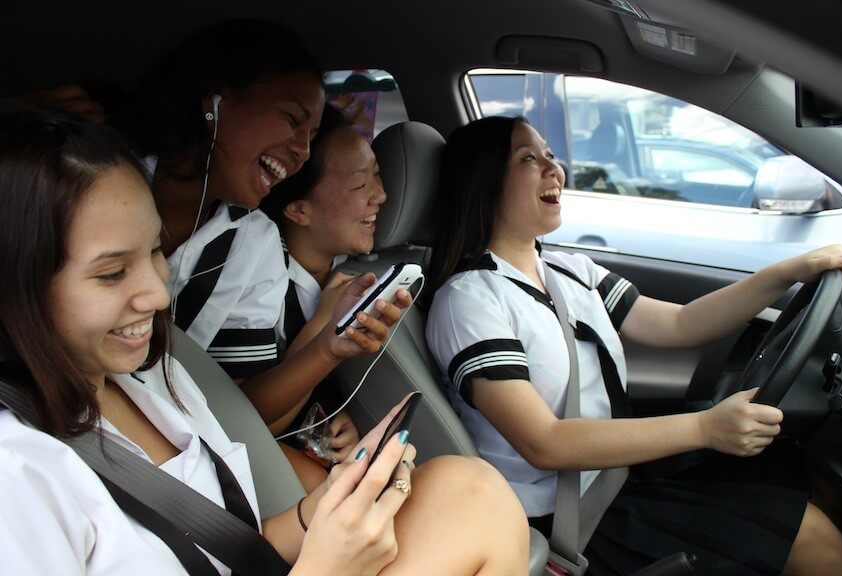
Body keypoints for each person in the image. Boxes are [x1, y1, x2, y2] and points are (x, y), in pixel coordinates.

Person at [0, 103, 530, 575]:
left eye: (156, 251)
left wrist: (325, 505)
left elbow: (238, 542)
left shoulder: (154, 375)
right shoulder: (16, 474)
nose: (159, 296)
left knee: (471, 491)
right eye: (112, 273)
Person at [425, 115, 842, 576]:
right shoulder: (468, 300)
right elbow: (543, 442)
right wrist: (705, 428)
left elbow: (680, 324)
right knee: (809, 537)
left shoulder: (570, 271)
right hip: (572, 524)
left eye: (550, 154)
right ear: (484, 181)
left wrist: (788, 273)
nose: (554, 169)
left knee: (800, 476)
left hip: (619, 479)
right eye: (528, 159)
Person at [125, 20, 402, 483]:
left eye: (311, 135)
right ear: (216, 101)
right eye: (292, 120)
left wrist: (330, 346)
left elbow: (241, 413)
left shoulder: (253, 243)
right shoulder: (105, 182)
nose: (301, 151)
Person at [257, 104, 386, 438]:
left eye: (377, 173)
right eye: (360, 184)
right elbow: (255, 424)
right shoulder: (257, 289)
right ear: (299, 210)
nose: (381, 195)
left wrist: (344, 421)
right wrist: (325, 321)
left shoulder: (361, 272)